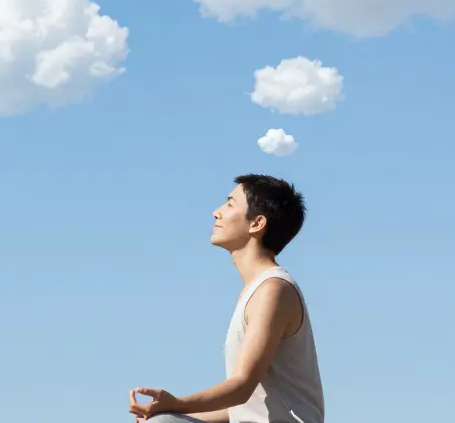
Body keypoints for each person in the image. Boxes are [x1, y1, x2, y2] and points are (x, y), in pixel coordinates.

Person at [127, 174, 325, 423]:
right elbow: (242, 410)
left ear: (257, 223)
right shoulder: (256, 290)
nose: (216, 212)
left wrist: (176, 404)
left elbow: (241, 387)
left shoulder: (273, 290)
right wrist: (168, 413)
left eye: (230, 204)